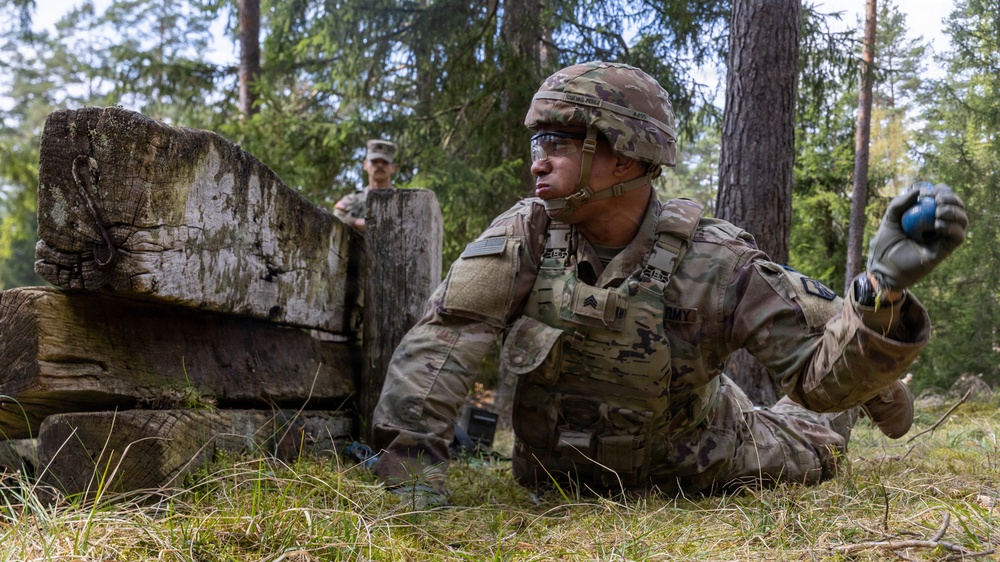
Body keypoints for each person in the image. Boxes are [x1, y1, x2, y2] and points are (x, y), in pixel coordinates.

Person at [369, 61, 968, 503]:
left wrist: (882, 288)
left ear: (625, 157)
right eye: (536, 143)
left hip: (709, 462)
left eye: (557, 142)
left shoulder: (718, 259)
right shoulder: (528, 233)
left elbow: (815, 383)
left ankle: (879, 381)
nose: (538, 161)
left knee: (812, 431)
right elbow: (440, 347)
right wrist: (411, 489)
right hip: (555, 479)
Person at [334, 139, 398, 231]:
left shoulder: (403, 200)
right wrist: (357, 222)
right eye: (374, 161)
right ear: (365, 165)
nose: (380, 165)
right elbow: (336, 219)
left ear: (393, 167)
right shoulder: (353, 201)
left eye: (385, 162)